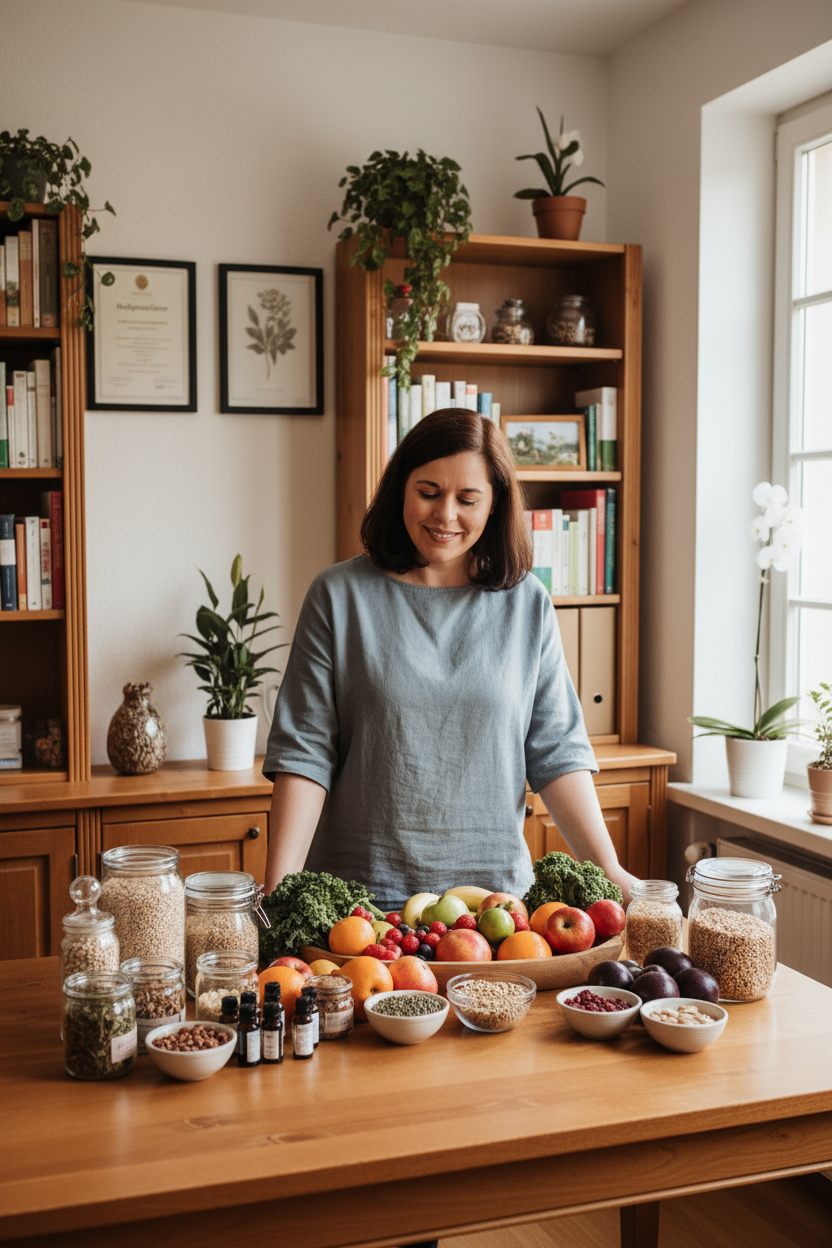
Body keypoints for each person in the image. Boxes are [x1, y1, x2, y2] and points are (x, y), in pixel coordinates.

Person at [263, 409, 637, 908]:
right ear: (400, 488)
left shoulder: (527, 603)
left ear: (495, 505)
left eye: (468, 499)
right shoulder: (338, 596)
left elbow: (557, 750)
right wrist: (279, 891)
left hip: (497, 912)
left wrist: (610, 870)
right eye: (428, 491)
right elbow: (304, 754)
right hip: (359, 911)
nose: (445, 516)